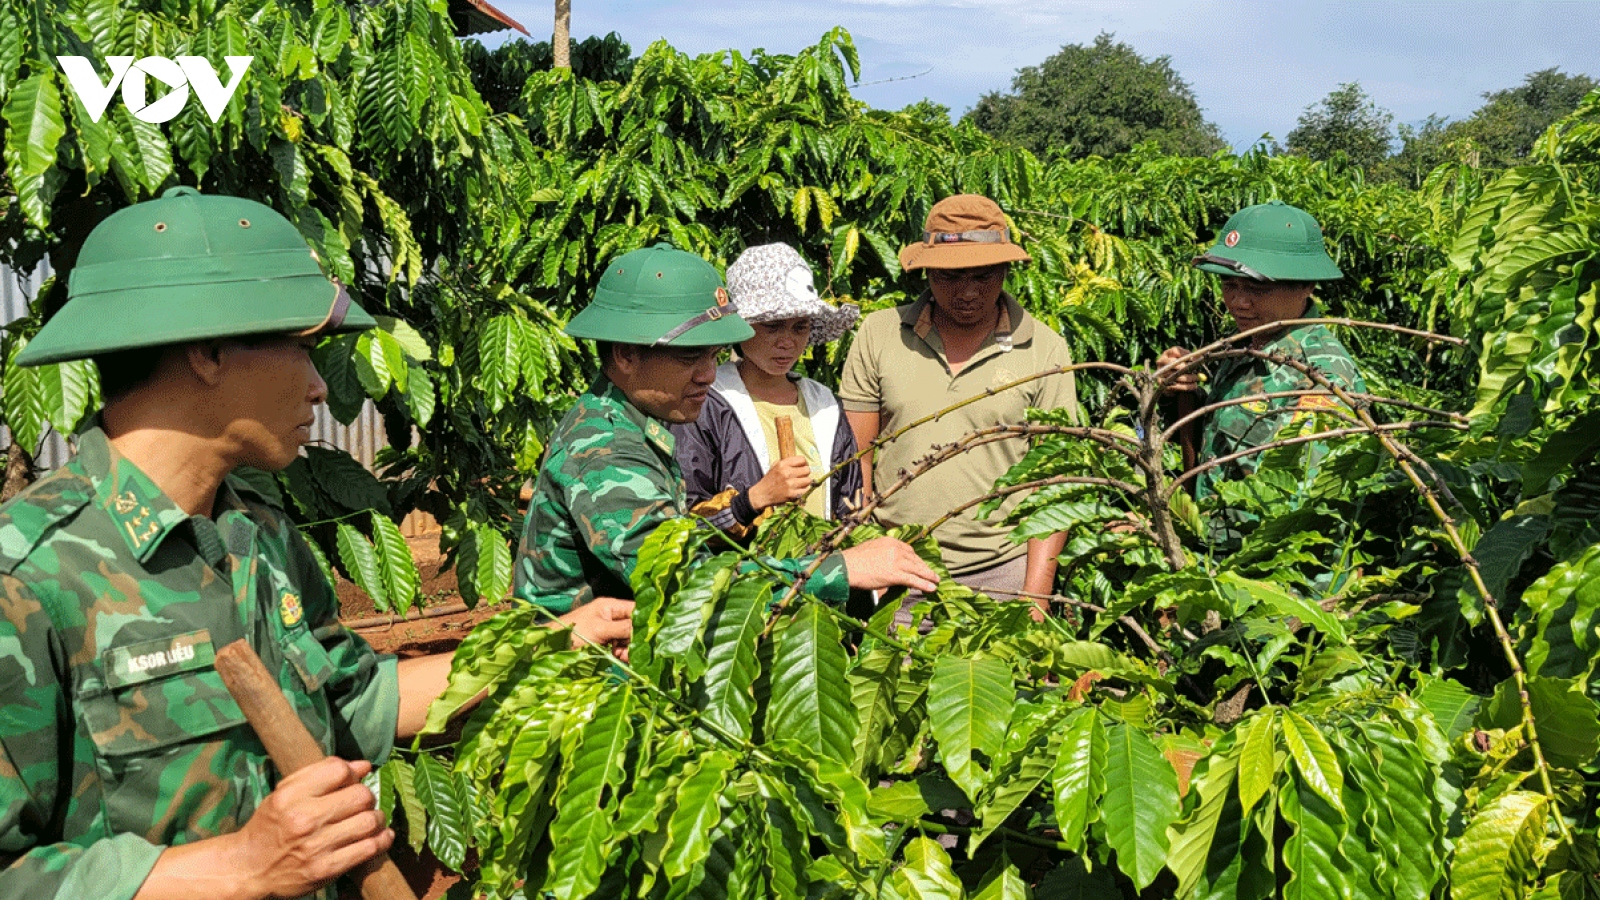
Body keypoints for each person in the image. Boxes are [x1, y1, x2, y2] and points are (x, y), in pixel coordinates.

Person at [0, 188, 634, 900]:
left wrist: (541, 648)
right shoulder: (28, 577)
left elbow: (357, 703)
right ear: (207, 352)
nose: (317, 388)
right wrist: (240, 866)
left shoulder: (258, 538)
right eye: (302, 350)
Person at [512, 243, 939, 614]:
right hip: (585, 684)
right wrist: (839, 569)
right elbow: (684, 584)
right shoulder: (607, 451)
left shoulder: (641, 425)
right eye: (688, 358)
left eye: (712, 356)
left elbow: (673, 539)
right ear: (625, 356)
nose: (707, 375)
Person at [838, 195, 1080, 614]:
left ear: (1006, 270)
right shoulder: (880, 334)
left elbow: (1053, 483)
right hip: (898, 569)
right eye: (950, 277)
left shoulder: (1044, 349)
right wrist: (866, 557)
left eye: (983, 277)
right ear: (928, 271)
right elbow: (855, 460)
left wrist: (1035, 597)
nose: (967, 292)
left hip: (1002, 572)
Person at [1158, 200, 1366, 498]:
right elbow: (1219, 448)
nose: (1238, 303)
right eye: (1229, 285)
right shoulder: (1244, 346)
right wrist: (1176, 392)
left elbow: (1301, 504)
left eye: (1257, 289)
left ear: (1306, 286)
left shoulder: (1321, 378)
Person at [672, 243, 862, 535]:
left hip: (822, 571)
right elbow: (687, 522)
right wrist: (753, 500)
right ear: (743, 327)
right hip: (742, 574)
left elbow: (849, 502)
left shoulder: (824, 404)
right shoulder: (707, 401)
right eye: (773, 326)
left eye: (799, 327)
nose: (787, 342)